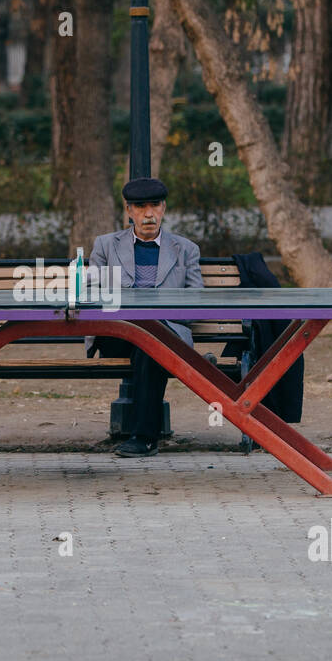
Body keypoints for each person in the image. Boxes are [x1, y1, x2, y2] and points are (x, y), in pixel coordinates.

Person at [86, 177, 203, 457]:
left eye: (154, 206)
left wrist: (155, 318)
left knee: (150, 347)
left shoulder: (186, 249)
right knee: (150, 340)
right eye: (140, 207)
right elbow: (90, 292)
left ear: (164, 208)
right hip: (117, 333)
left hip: (164, 334)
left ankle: (143, 438)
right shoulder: (105, 245)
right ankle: (144, 437)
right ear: (128, 211)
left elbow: (197, 302)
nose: (148, 214)